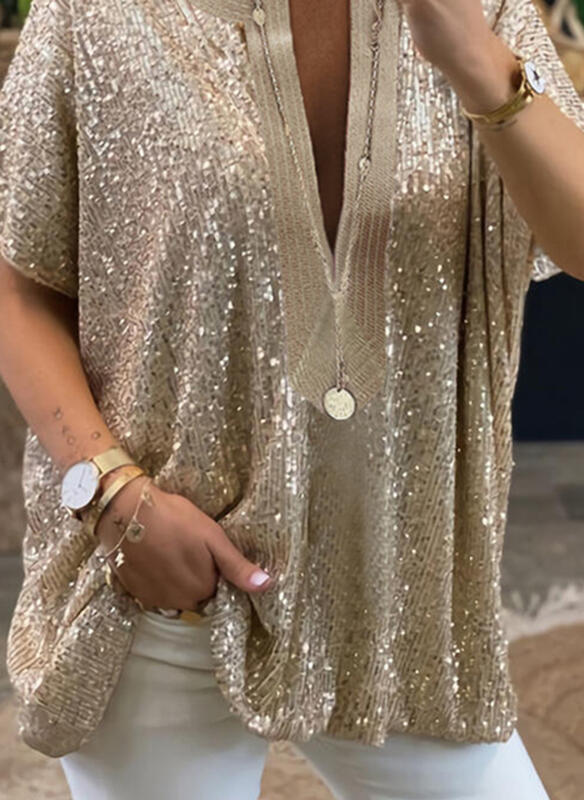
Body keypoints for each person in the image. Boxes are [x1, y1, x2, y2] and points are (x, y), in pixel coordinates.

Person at [0, 0, 583, 797]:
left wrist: (476, 61)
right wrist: (111, 496)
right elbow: (20, 281)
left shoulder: (483, 7)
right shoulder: (93, 13)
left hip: (402, 605)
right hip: (166, 588)